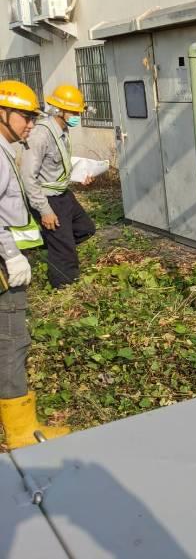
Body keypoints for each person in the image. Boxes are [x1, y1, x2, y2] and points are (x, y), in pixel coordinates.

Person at [0, 80, 70, 449]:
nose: (30, 124)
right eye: (25, 116)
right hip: (2, 263)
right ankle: (21, 431)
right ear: (3, 113)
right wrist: (10, 254)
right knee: (12, 340)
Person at [21, 84, 95, 288]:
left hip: (63, 194)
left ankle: (51, 243)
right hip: (48, 198)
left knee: (85, 228)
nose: (76, 116)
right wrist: (44, 210)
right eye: (73, 112)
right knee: (64, 248)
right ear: (59, 111)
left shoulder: (62, 130)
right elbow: (28, 176)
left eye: (78, 112)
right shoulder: (40, 135)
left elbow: (57, 166)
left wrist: (80, 176)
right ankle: (64, 287)